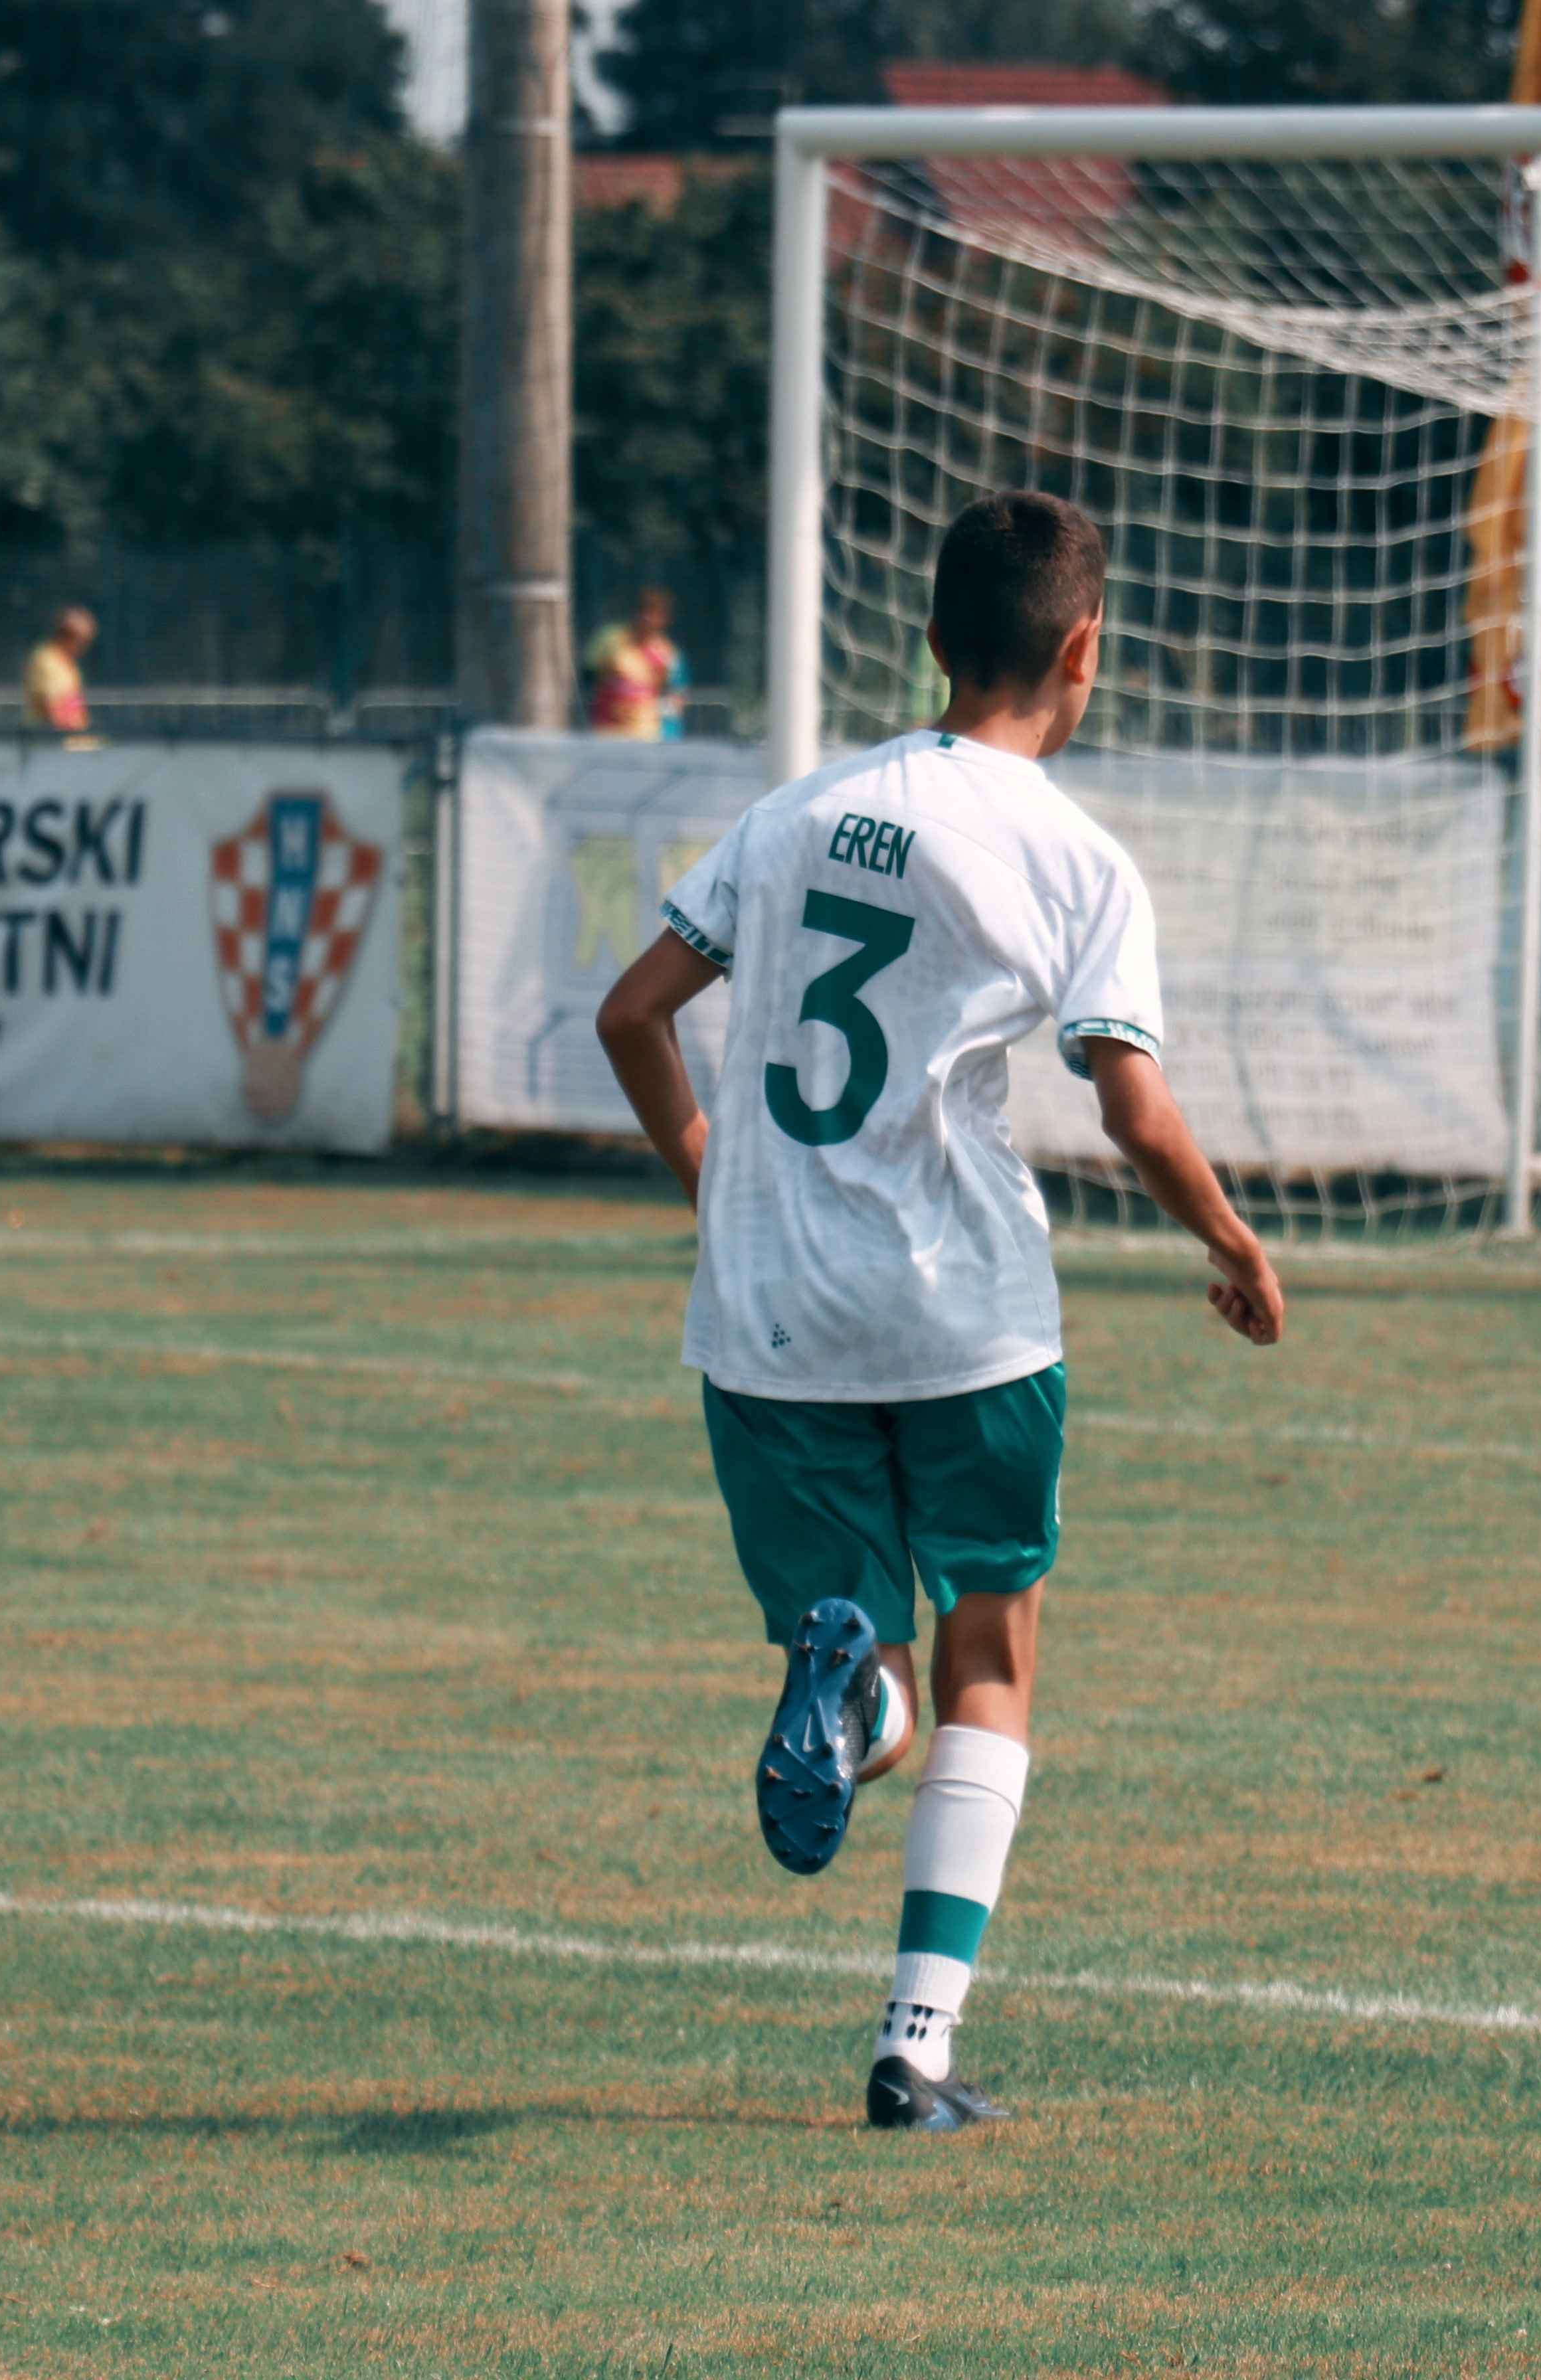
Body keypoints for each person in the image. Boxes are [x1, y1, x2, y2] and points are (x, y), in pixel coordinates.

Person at [590, 489, 1285, 2136]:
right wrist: (1231, 1237)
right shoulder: (1071, 855)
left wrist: (713, 1173)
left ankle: (847, 1698)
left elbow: (632, 1012)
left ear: (928, 640)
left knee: (879, 1671)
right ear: (1083, 649)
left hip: (768, 1312)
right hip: (961, 1311)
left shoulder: (798, 810)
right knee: (995, 1655)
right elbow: (1130, 1103)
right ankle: (915, 2047)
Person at [584, 586, 689, 739]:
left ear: (665, 619)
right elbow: (588, 676)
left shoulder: (668, 653)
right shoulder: (609, 639)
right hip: (607, 731)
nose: (647, 618)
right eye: (644, 610)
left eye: (655, 613)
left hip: (647, 736)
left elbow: (675, 698)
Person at [27, 607, 99, 747]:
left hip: (73, 746)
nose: (85, 647)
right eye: (83, 641)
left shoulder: (67, 663)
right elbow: (54, 711)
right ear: (68, 636)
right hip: (53, 749)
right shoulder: (46, 661)